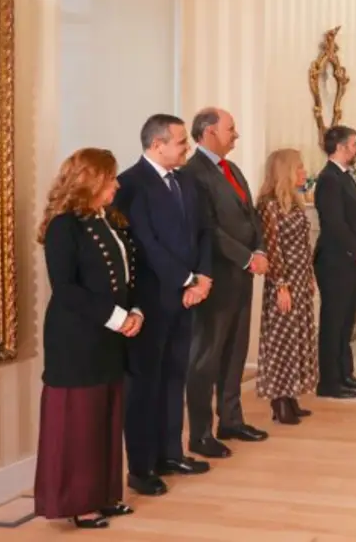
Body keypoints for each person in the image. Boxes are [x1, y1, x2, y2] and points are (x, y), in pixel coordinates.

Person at [33, 148, 141, 529]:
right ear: (89, 180)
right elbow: (65, 289)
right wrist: (117, 318)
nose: (117, 184)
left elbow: (129, 274)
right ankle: (79, 502)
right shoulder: (65, 225)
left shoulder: (108, 219)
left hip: (110, 334)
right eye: (110, 178)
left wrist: (136, 312)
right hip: (76, 338)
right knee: (79, 422)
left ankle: (105, 494)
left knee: (107, 415)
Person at [115, 114, 213, 496]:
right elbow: (143, 242)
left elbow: (204, 231)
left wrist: (202, 277)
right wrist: (185, 279)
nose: (186, 148)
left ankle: (171, 453)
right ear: (157, 145)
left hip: (188, 295)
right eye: (180, 142)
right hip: (152, 299)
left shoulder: (187, 180)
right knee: (145, 383)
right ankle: (141, 467)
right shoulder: (130, 183)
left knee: (175, 376)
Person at [183, 107, 269, 458]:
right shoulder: (194, 173)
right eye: (231, 129)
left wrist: (259, 249)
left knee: (235, 350)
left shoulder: (231, 168)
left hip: (243, 276)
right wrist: (247, 257)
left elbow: (251, 217)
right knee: (207, 356)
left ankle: (231, 419)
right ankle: (200, 433)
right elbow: (209, 229)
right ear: (208, 132)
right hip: (214, 276)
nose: (236, 135)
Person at [255, 148, 320, 424]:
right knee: (281, 341)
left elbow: (304, 245)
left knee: (298, 339)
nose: (304, 173)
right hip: (283, 281)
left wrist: (310, 276)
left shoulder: (294, 202)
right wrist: (281, 285)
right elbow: (272, 247)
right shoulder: (268, 205)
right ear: (286, 171)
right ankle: (279, 401)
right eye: (300, 168)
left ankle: (292, 397)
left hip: (300, 278)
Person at [313, 125, 356, 398]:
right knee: (333, 320)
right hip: (334, 261)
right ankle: (329, 382)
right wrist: (355, 249)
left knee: (347, 319)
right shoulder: (328, 179)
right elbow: (334, 223)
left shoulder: (345, 177)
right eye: (353, 144)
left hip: (349, 258)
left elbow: (354, 219)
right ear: (339, 147)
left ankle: (345, 373)